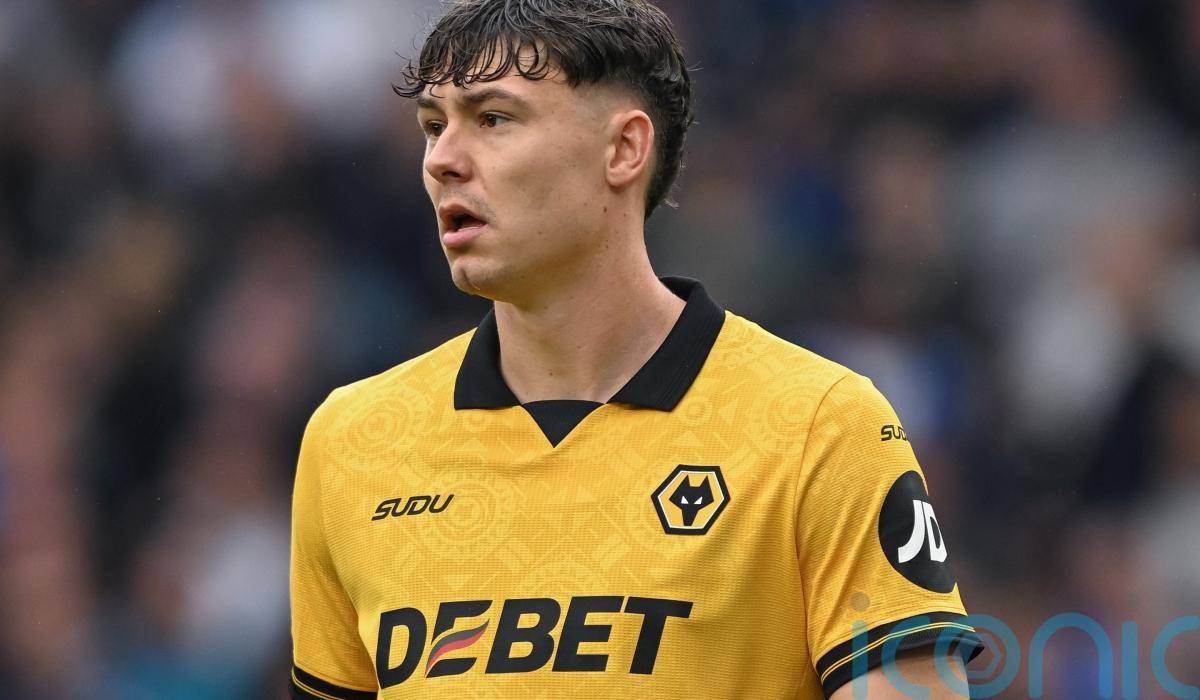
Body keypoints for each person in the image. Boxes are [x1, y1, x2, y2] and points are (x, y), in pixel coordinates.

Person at [288, 1, 982, 697]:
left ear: (624, 149)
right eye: (434, 127)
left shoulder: (820, 427)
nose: (441, 160)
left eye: (493, 119)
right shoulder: (351, 442)